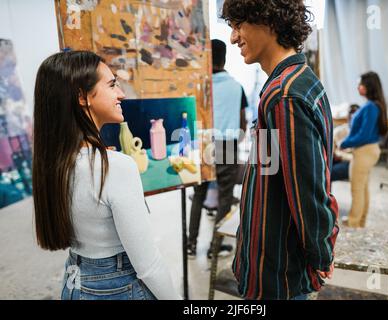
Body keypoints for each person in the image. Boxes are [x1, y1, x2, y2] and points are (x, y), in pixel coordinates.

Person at [32, 51, 180, 300]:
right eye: (112, 85)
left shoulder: (52, 161)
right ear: (82, 96)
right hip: (116, 287)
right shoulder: (115, 167)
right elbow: (148, 265)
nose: (121, 93)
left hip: (75, 282)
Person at [222, 0, 339, 300]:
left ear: (268, 20)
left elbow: (308, 193)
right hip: (271, 265)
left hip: (277, 275)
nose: (233, 37)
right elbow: (271, 172)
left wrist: (321, 254)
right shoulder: (295, 82)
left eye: (238, 25)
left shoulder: (284, 95)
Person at [187, 39, 248, 259]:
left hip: (203, 143)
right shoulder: (237, 86)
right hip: (227, 145)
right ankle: (216, 246)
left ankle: (191, 245)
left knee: (199, 193)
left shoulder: (200, 86)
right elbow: (243, 123)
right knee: (225, 197)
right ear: (224, 59)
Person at [340, 71, 388, 228]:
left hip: (364, 151)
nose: (358, 87)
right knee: (363, 187)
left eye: (361, 84)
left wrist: (344, 143)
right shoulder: (374, 105)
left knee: (357, 189)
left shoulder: (370, 108)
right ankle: (360, 221)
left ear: (369, 87)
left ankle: (354, 222)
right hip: (369, 150)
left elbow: (363, 135)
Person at [331, 104, 360, 182]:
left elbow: (358, 156)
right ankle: (326, 193)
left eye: (355, 113)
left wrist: (342, 156)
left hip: (351, 162)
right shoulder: (339, 131)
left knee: (329, 174)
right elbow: (331, 148)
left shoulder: (361, 134)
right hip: (337, 158)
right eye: (351, 113)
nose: (352, 116)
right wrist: (334, 154)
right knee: (322, 170)